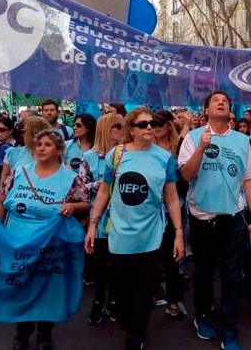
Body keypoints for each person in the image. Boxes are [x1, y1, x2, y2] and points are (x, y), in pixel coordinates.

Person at [85, 108, 184, 350]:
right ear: (131, 129)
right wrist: (93, 224)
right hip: (119, 236)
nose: (149, 127)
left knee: (145, 290)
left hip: (151, 236)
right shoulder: (116, 155)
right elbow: (104, 191)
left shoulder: (165, 158)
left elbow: (171, 198)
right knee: (122, 292)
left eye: (152, 123)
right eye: (143, 124)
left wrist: (179, 233)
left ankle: (135, 337)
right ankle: (129, 323)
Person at [178, 90, 251, 350]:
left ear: (230, 111)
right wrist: (202, 147)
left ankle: (229, 329)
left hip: (233, 219)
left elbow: (247, 180)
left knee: (232, 275)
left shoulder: (242, 140)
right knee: (203, 273)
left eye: (225, 101)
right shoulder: (192, 138)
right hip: (202, 219)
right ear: (206, 110)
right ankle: (202, 316)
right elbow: (186, 175)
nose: (222, 102)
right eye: (216, 100)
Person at [0, 129, 90, 350]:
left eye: (47, 144)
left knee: (48, 287)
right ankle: (22, 331)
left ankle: (45, 333)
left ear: (58, 150)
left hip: (51, 245)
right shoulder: (19, 172)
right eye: (38, 145)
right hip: (18, 243)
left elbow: (86, 204)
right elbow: (1, 200)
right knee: (21, 286)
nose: (41, 148)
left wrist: (73, 206)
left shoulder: (70, 178)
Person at [83, 113, 125, 325]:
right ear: (107, 130)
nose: (122, 130)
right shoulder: (90, 157)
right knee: (101, 266)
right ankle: (99, 302)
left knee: (119, 265)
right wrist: (100, 185)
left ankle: (115, 302)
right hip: (99, 220)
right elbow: (80, 187)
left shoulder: (129, 155)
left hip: (123, 220)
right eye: (118, 126)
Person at [151, 109, 187, 318]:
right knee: (151, 255)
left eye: (158, 124)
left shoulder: (178, 147)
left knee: (171, 255)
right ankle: (153, 291)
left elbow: (184, 180)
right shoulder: (145, 148)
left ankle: (173, 299)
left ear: (168, 125)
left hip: (174, 205)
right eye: (151, 124)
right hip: (151, 209)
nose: (154, 128)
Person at [1, 116, 51, 186]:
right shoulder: (12, 153)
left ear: (35, 133)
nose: (22, 134)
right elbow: (3, 183)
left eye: (24, 131)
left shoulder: (53, 155)